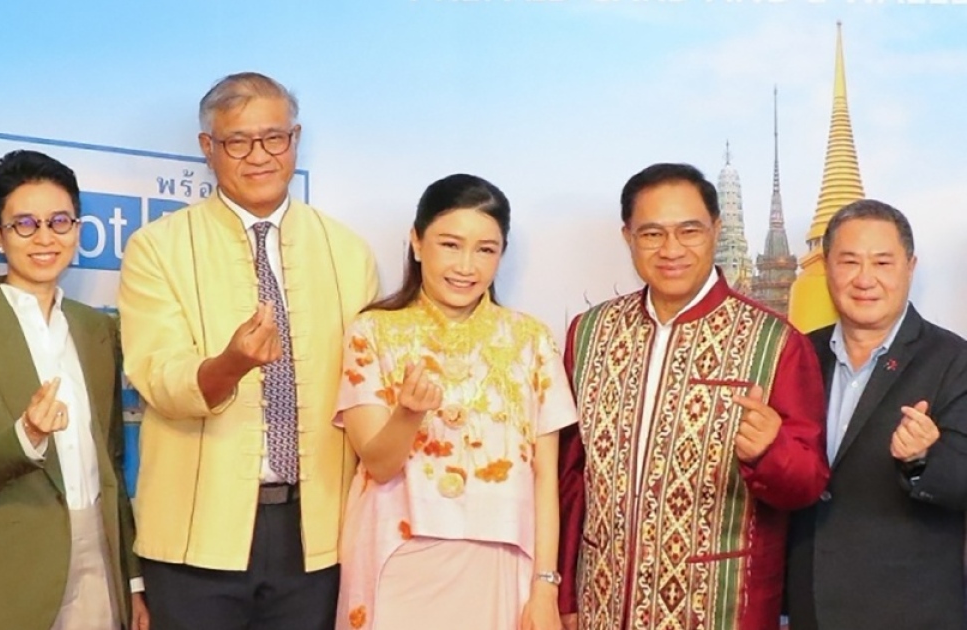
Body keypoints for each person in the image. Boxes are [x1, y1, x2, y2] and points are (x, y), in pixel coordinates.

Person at [118, 71, 378, 629]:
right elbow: (158, 377)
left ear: (295, 139)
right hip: (194, 538)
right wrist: (230, 365)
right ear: (208, 147)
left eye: (274, 138)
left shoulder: (348, 253)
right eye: (238, 141)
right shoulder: (157, 248)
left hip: (317, 536)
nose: (259, 156)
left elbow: (366, 392)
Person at [558, 163, 829, 630]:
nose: (671, 250)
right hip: (602, 602)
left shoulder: (774, 342)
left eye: (689, 231)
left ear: (716, 230)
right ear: (628, 237)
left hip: (720, 606)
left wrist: (771, 451)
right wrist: (564, 592)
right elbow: (570, 478)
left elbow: (808, 484)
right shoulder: (590, 334)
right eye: (652, 234)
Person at [334, 174, 573, 630]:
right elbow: (378, 464)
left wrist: (545, 586)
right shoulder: (372, 332)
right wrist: (408, 413)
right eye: (450, 244)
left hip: (501, 558)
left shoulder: (531, 339)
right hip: (398, 558)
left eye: (486, 249)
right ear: (416, 242)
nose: (466, 266)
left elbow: (547, 476)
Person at [0, 150, 145, 630]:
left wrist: (131, 579)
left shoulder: (96, 330)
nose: (45, 238)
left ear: (77, 229)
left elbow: (112, 462)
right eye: (24, 224)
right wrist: (26, 433)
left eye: (59, 221)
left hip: (98, 561)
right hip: (8, 574)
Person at [785, 200, 967, 630]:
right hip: (810, 607)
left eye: (882, 262)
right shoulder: (798, 354)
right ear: (826, 267)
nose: (865, 278)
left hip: (909, 612)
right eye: (849, 261)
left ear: (910, 267)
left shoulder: (953, 359)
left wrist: (922, 459)